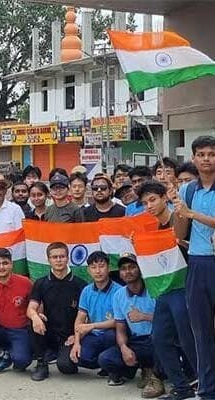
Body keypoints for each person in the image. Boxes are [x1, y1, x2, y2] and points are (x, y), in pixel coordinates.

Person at [137, 181, 198, 400]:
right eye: (145, 203)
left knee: (189, 340)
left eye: (153, 200)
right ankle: (181, 387)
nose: (149, 206)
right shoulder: (152, 228)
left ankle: (206, 383)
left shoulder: (178, 218)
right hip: (164, 291)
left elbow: (182, 237)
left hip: (183, 287)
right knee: (160, 339)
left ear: (165, 198)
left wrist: (179, 207)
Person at [173, 135, 215, 400]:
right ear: (193, 158)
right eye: (201, 154)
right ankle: (208, 389)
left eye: (211, 154)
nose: (206, 159)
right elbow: (179, 233)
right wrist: (179, 211)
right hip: (198, 263)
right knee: (201, 332)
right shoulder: (187, 190)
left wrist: (192, 214)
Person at [98, 254, 164, 397]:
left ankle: (156, 377)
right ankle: (144, 369)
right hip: (137, 341)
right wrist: (124, 348)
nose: (127, 271)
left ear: (140, 269)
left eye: (132, 267)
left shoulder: (154, 289)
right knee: (105, 359)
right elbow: (120, 328)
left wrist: (144, 316)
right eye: (123, 268)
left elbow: (168, 320)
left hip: (158, 340)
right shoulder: (119, 295)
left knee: (162, 341)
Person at [26, 242, 87, 381]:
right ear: (49, 260)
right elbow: (30, 308)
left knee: (66, 367)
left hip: (69, 336)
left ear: (68, 258)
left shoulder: (80, 284)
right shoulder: (41, 283)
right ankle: (41, 364)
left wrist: (77, 336)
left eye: (62, 256)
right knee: (33, 320)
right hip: (48, 333)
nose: (58, 260)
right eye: (54, 257)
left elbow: (87, 316)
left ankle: (61, 355)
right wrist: (35, 317)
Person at [58, 251, 121, 376]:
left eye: (101, 266)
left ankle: (111, 364)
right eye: (93, 267)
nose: (98, 271)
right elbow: (80, 319)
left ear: (109, 268)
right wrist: (77, 342)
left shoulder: (119, 291)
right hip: (93, 335)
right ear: (88, 270)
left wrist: (92, 326)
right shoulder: (87, 291)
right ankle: (103, 362)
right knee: (66, 363)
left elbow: (119, 321)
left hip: (112, 334)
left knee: (111, 335)